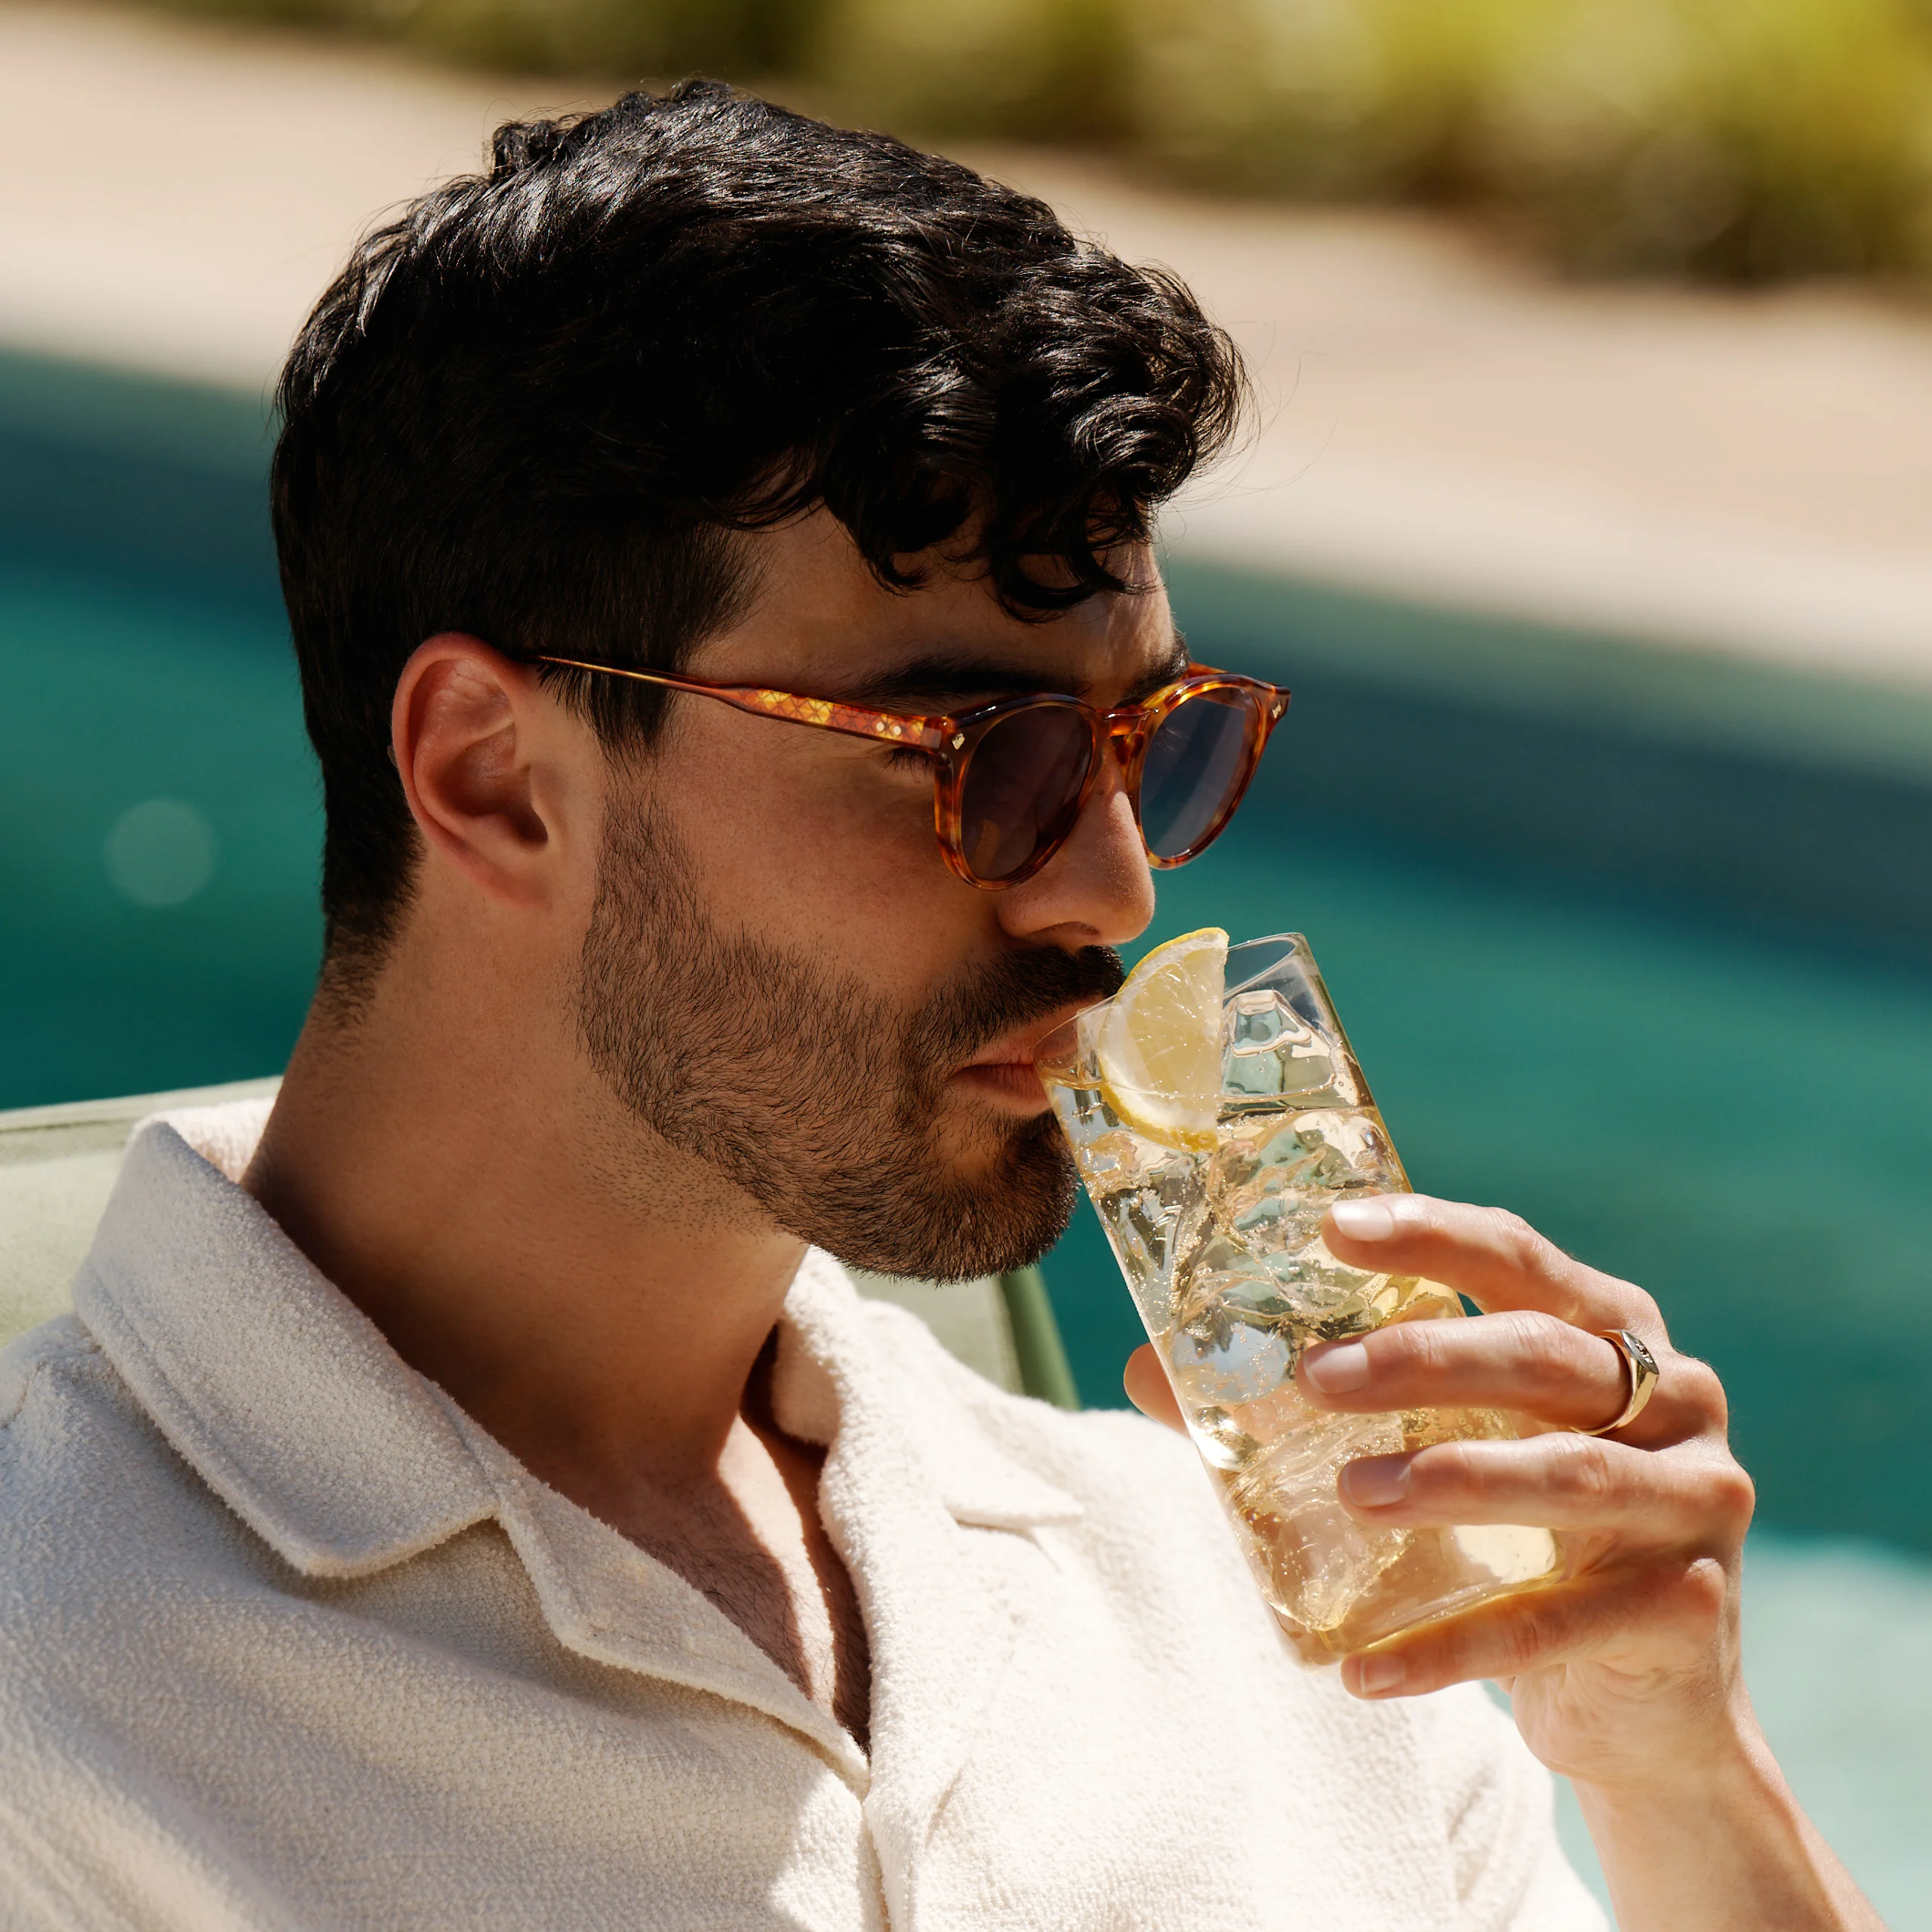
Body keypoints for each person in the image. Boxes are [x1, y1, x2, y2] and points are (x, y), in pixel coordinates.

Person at [0, 81, 1881, 1931]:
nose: (1116, 887)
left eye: (1147, 744)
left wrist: (1675, 1770)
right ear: (495, 776)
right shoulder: (57, 1698)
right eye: (979, 751)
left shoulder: (1233, 1582)